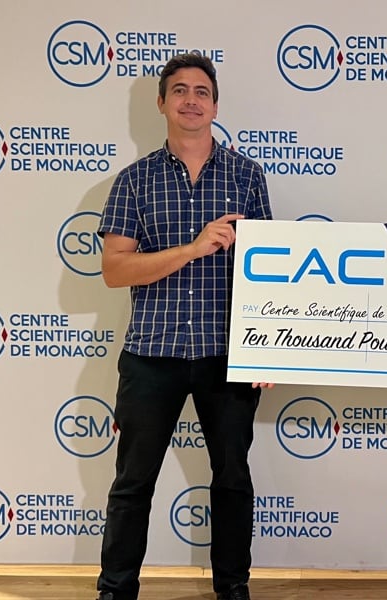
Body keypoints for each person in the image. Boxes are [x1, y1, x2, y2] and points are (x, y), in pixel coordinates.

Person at [95, 53, 273, 600]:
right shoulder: (135, 180)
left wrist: (268, 348)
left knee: (233, 479)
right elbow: (114, 270)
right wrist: (193, 249)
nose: (191, 100)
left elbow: (269, 270)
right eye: (179, 91)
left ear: (215, 105)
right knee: (133, 483)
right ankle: (115, 591)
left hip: (227, 354)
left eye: (201, 92)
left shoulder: (247, 176)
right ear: (161, 103)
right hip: (152, 354)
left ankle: (233, 588)